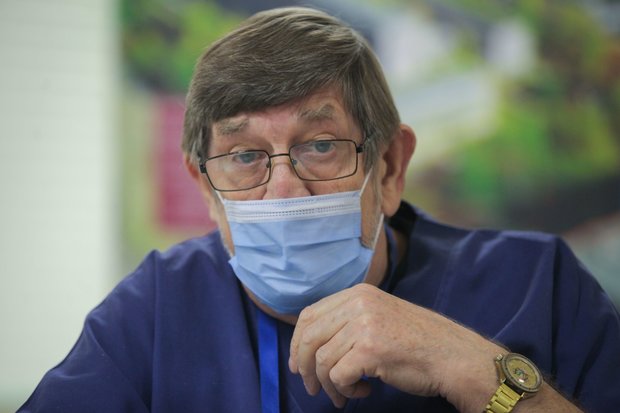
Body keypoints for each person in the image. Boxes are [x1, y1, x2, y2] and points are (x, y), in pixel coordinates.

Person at [20, 7, 620, 413]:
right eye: (244, 156)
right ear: (205, 189)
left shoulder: (535, 285)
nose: (283, 190)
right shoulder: (157, 309)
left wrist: (472, 369)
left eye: (321, 146)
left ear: (389, 167)